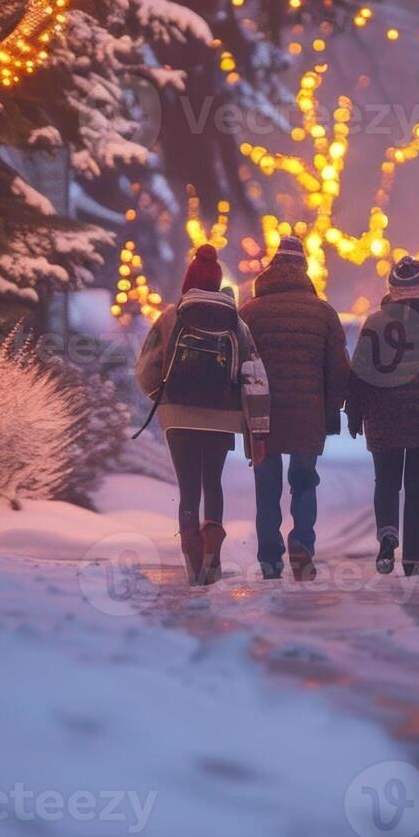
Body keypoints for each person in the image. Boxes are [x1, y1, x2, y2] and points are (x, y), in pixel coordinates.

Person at [136, 245, 270, 586]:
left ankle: (192, 562)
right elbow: (254, 374)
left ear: (187, 283)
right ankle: (213, 553)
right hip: (222, 415)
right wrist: (256, 425)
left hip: (177, 414)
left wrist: (162, 397)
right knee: (213, 482)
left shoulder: (171, 317)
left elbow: (145, 370)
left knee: (188, 489)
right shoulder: (236, 323)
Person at [239, 236, 352, 581]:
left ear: (271, 269)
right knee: (304, 481)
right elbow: (339, 370)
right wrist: (332, 409)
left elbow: (238, 365)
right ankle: (302, 545)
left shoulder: (250, 312)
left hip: (262, 416)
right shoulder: (323, 312)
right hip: (308, 414)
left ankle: (270, 559)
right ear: (304, 269)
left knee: (267, 486)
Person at [345, 256, 419, 577]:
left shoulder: (374, 322)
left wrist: (354, 413)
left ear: (392, 288)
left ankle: (387, 535)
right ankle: (412, 560)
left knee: (386, 481)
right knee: (416, 486)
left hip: (383, 415)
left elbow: (359, 373)